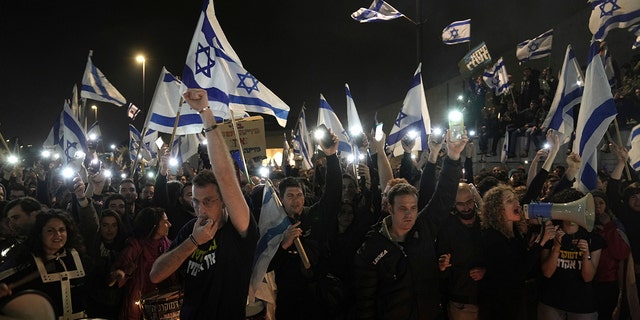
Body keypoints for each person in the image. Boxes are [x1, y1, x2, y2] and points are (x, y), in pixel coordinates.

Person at [149, 88, 259, 319]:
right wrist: (193, 242)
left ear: (225, 202)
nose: (201, 209)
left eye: (209, 201)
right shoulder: (191, 230)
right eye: (196, 202)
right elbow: (156, 275)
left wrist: (205, 114)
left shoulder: (239, 228)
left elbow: (227, 178)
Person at [353, 131, 467, 320]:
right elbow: (365, 301)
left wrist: (453, 157)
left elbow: (443, 197)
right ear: (389, 207)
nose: (409, 214)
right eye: (403, 208)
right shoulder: (372, 247)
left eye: (413, 208)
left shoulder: (423, 228)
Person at [268, 126, 342, 320]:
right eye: (290, 196)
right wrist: (283, 245)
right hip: (290, 302)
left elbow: (333, 195)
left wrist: (332, 157)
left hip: (318, 298)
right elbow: (265, 265)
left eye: (299, 195)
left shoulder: (312, 216)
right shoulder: (274, 226)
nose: (296, 200)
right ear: (281, 199)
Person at [478, 185, 555, 320]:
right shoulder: (491, 237)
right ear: (496, 209)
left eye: (515, 199)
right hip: (501, 307)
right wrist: (540, 243)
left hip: (517, 302)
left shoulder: (515, 233)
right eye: (509, 200)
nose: (516, 203)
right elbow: (517, 272)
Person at [0, 209, 89, 319]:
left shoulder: (76, 257)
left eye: (62, 230)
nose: (58, 235)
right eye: (50, 230)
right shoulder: (25, 261)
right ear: (40, 233)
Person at [538, 189, 605, 319]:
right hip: (551, 302)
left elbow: (588, 277)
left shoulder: (593, 239)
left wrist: (586, 255)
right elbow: (547, 272)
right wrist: (556, 247)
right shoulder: (549, 235)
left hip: (582, 305)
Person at [111, 207, 173, 320]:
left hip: (165, 302)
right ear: (153, 225)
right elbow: (118, 274)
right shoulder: (135, 248)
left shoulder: (168, 245)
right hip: (140, 302)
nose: (169, 224)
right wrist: (122, 274)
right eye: (165, 222)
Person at [437, 182, 485, 320]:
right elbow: (441, 265)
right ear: (454, 204)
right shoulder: (447, 228)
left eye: (469, 202)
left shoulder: (485, 224)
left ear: (474, 199)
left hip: (487, 296)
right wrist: (442, 265)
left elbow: (497, 256)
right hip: (461, 301)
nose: (466, 208)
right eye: (460, 204)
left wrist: (485, 271)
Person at [590, 189, 631, 320]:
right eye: (593, 203)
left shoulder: (615, 225)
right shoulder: (583, 226)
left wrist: (608, 227)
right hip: (586, 281)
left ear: (606, 206)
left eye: (601, 203)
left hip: (608, 282)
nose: (597, 207)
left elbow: (621, 253)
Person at [85, 209, 127, 318]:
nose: (110, 230)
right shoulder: (91, 247)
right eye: (105, 225)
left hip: (118, 303)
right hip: (94, 302)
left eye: (114, 225)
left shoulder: (124, 247)